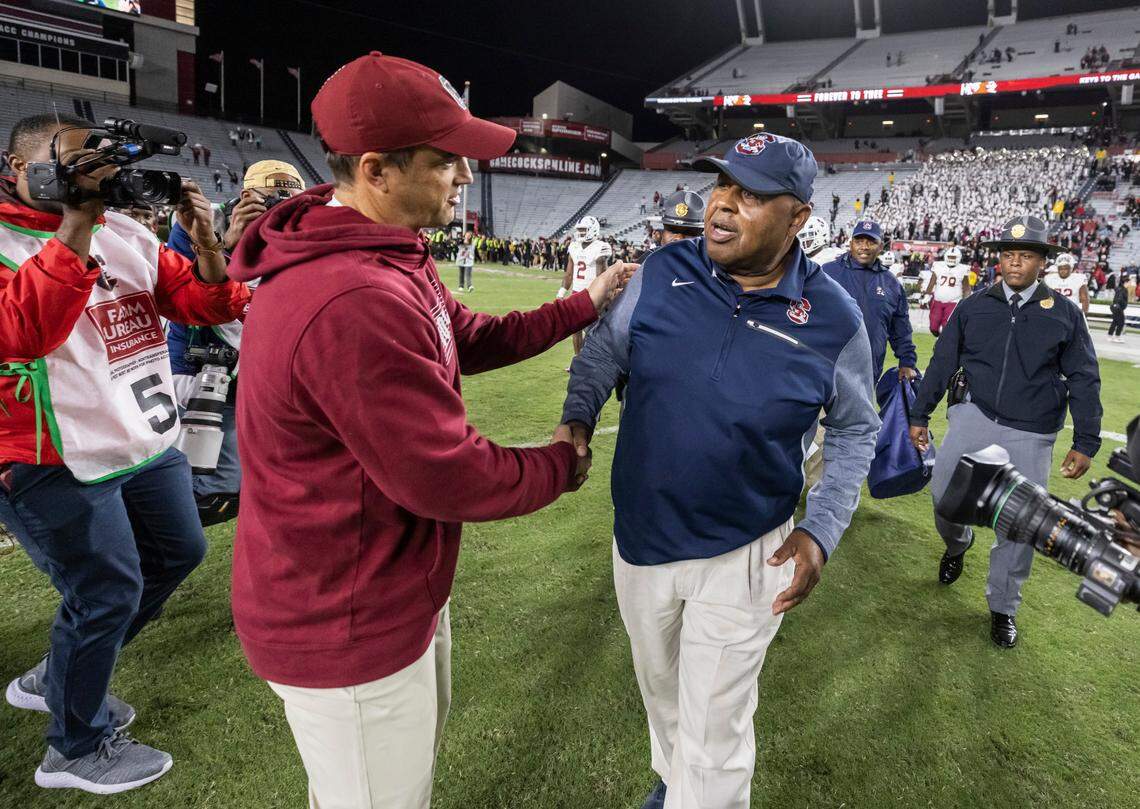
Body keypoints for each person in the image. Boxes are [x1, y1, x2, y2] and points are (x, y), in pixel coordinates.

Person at [226, 52, 634, 809]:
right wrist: (558, 464)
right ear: (377, 170)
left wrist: (582, 304)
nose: (466, 175)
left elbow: (463, 336)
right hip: (344, 617)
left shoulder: (379, 251)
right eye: (447, 159)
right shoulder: (352, 294)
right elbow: (443, 472)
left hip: (375, 586)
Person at [560, 133, 880, 809]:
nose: (724, 206)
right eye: (723, 185)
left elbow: (855, 431)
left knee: (716, 732)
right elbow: (600, 359)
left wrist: (820, 530)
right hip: (640, 540)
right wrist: (577, 418)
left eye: (753, 194)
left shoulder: (834, 319)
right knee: (668, 697)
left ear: (798, 219)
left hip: (746, 550)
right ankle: (678, 784)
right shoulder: (661, 272)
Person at [0, 114, 249, 793]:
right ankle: (74, 747)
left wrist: (209, 248)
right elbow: (25, 331)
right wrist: (75, 226)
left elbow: (202, 304)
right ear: (19, 168)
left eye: (102, 164)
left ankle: (60, 673)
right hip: (53, 453)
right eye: (80, 163)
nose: (98, 176)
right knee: (106, 590)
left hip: (140, 434)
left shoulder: (129, 232)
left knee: (179, 552)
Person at [909, 216, 1102, 649]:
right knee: (944, 498)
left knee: (1019, 524)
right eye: (1009, 255)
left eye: (1026, 255)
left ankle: (1002, 607)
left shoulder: (1066, 314)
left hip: (1031, 430)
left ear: (1042, 262)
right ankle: (958, 545)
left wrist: (1086, 440)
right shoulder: (974, 305)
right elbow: (942, 362)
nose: (1015, 263)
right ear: (1000, 260)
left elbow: (1084, 377)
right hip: (973, 417)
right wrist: (919, 413)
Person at [165, 160, 307, 526]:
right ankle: (146, 526)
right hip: (200, 372)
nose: (282, 213)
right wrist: (223, 245)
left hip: (254, 371)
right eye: (273, 202)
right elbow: (189, 297)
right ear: (246, 197)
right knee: (216, 490)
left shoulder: (293, 238)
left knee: (255, 481)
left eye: (291, 205)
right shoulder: (202, 223)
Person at [821, 220, 917, 384]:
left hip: (868, 371)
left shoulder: (891, 283)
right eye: (859, 241)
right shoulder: (827, 273)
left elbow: (901, 328)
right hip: (826, 367)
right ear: (850, 244)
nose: (864, 247)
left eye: (871, 242)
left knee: (860, 410)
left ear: (880, 247)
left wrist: (907, 362)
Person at [559, 215, 611, 362]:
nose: (581, 233)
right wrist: (561, 293)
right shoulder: (574, 247)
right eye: (580, 230)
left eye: (584, 230)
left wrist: (601, 297)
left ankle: (593, 361)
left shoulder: (601, 247)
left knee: (592, 331)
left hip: (592, 293)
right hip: (576, 293)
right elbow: (569, 274)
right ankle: (579, 361)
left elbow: (601, 275)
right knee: (575, 330)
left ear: (593, 229)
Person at [925, 246, 970, 335]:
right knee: (933, 327)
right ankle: (940, 339)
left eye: (953, 257)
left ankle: (942, 343)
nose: (951, 259)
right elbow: (932, 282)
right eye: (950, 257)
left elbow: (966, 288)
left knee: (947, 326)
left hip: (954, 302)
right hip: (937, 301)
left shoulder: (963, 269)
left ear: (959, 258)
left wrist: (966, 301)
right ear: (946, 256)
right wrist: (927, 295)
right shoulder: (938, 266)